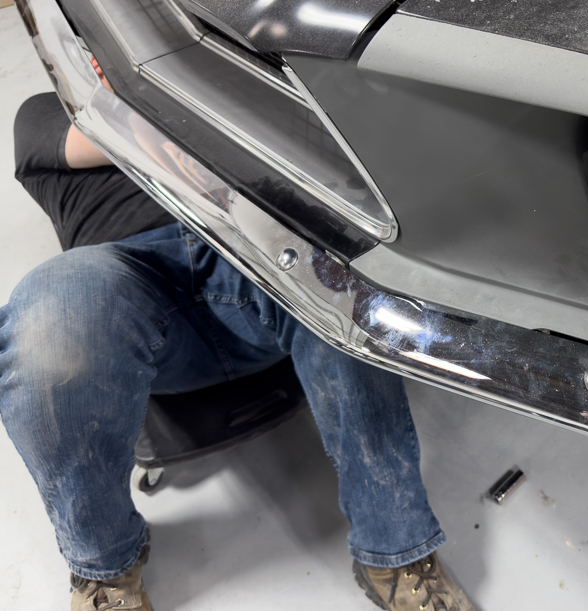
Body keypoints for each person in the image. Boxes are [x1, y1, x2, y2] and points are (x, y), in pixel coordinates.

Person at [0, 61, 476, 611]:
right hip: (129, 282)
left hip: (252, 257)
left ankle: (396, 552)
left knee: (337, 273)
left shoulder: (215, 79)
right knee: (50, 322)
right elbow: (111, 133)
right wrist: (146, 89)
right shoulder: (42, 112)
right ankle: (106, 574)